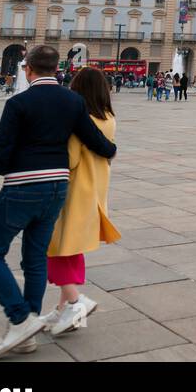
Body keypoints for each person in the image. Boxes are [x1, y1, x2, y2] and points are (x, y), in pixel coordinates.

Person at [0, 45, 118, 359]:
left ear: (28, 69)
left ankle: (20, 319)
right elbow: (99, 143)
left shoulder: (19, 103)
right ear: (56, 69)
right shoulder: (73, 101)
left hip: (23, 186)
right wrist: (110, 150)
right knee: (34, 259)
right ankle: (28, 332)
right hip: (57, 189)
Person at [41, 66, 121, 337]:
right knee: (71, 248)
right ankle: (63, 308)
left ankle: (76, 303)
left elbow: (71, 159)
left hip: (74, 190)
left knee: (55, 247)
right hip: (96, 188)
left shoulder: (79, 120)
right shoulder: (109, 117)